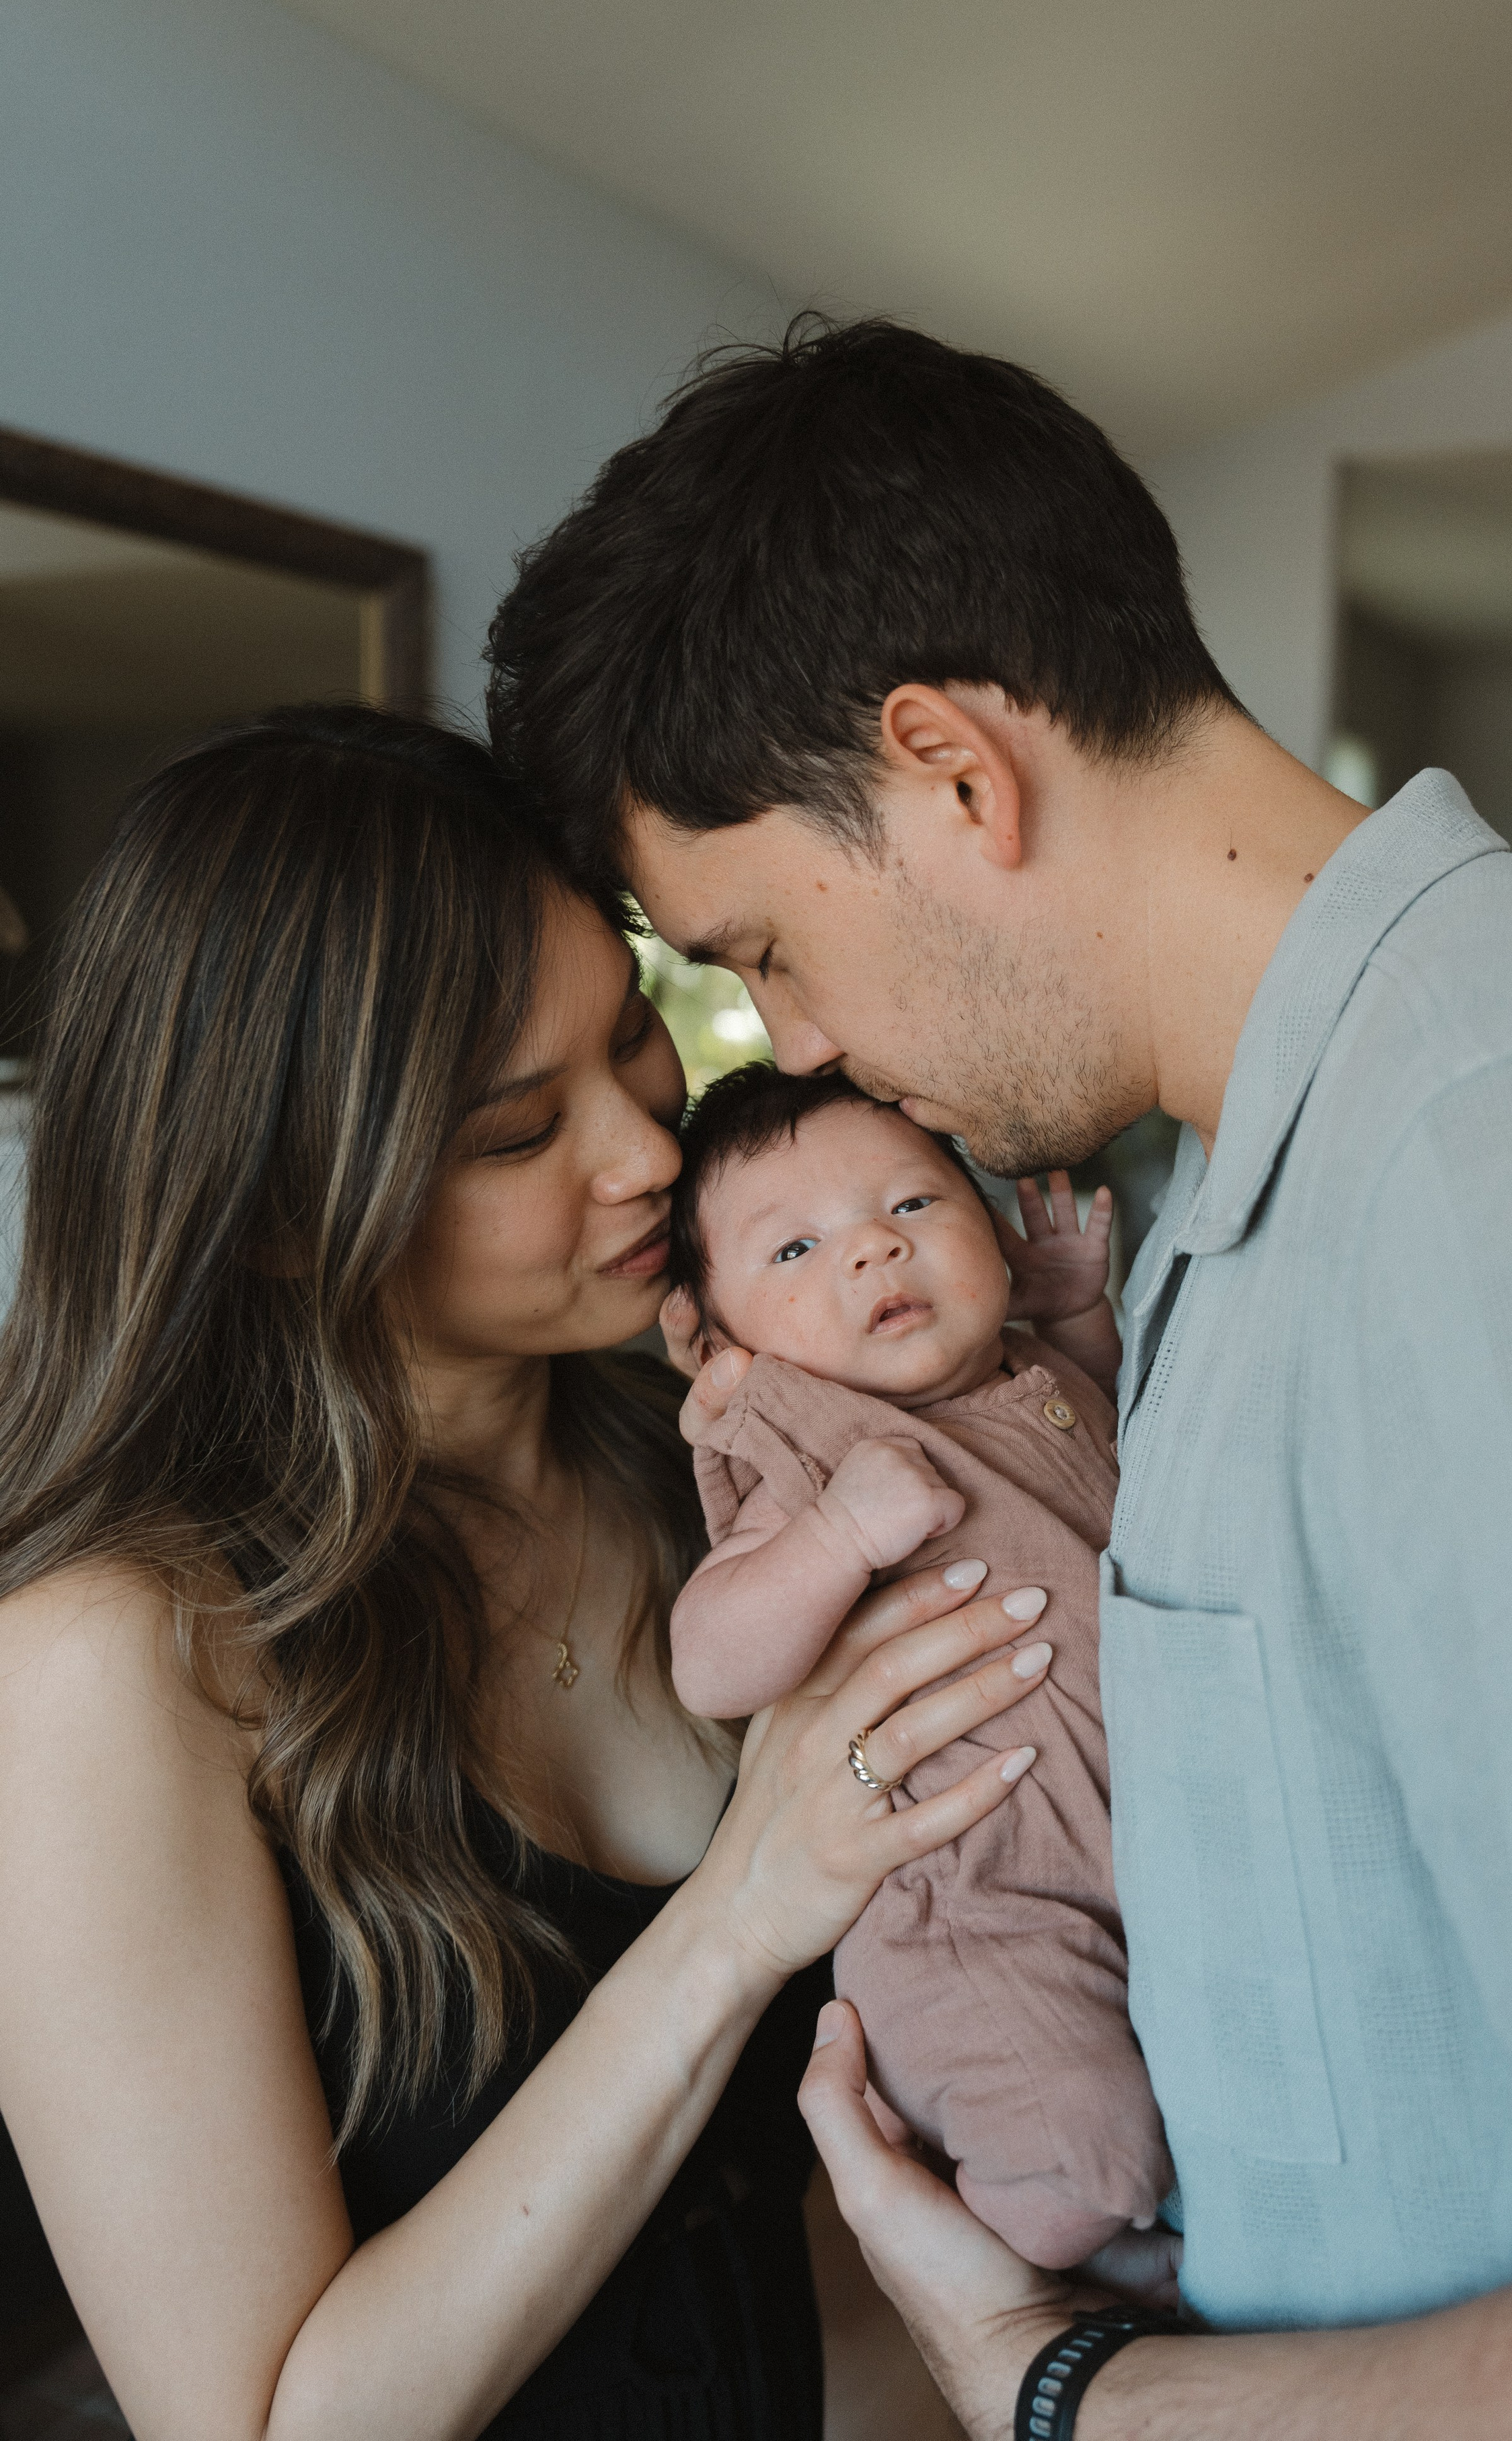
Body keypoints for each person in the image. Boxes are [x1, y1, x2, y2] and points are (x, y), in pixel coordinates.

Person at [486, 318, 1512, 2438]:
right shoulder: (1224, 1207)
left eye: (765, 946)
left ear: (954, 774)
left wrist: (1068, 2394)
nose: (784, 1051)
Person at [0, 704, 1056, 2441]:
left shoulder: (696, 1464)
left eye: (634, 1034)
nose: (650, 1151)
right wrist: (736, 1921)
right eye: (514, 1134)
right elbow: (265, 2420)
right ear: (276, 1213)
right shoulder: (120, 1661)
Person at [663, 1062, 1170, 2271]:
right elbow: (710, 1661)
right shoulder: (806, 1454)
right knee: (1076, 2157)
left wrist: (1072, 1316)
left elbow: (1094, 1453)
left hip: (1135, 1856)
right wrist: (837, 1540)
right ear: (720, 1344)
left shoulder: (1034, 1377)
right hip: (979, 1910)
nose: (873, 1256)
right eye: (794, 1251)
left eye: (912, 1208)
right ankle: (1027, 2245)